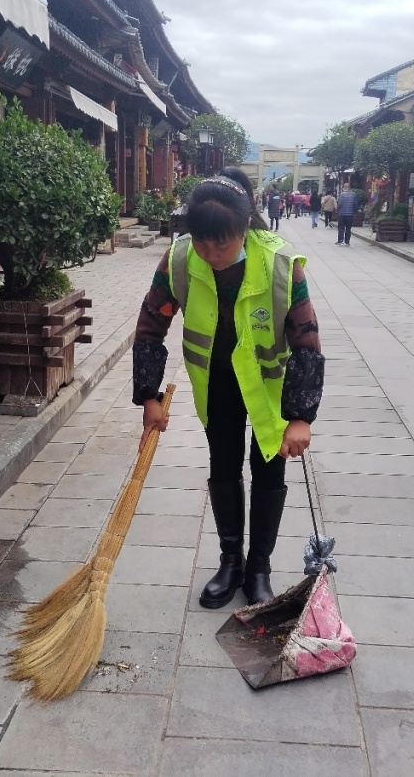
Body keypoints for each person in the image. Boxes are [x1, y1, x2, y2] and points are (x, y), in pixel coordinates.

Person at [132, 166, 325, 608]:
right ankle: (230, 562)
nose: (211, 253)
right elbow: (150, 326)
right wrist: (149, 396)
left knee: (269, 470)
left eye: (222, 243)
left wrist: (300, 417)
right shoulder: (179, 259)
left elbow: (307, 341)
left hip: (270, 389)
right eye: (203, 242)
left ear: (245, 227)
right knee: (223, 466)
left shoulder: (280, 264)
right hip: (217, 383)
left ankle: (259, 568)